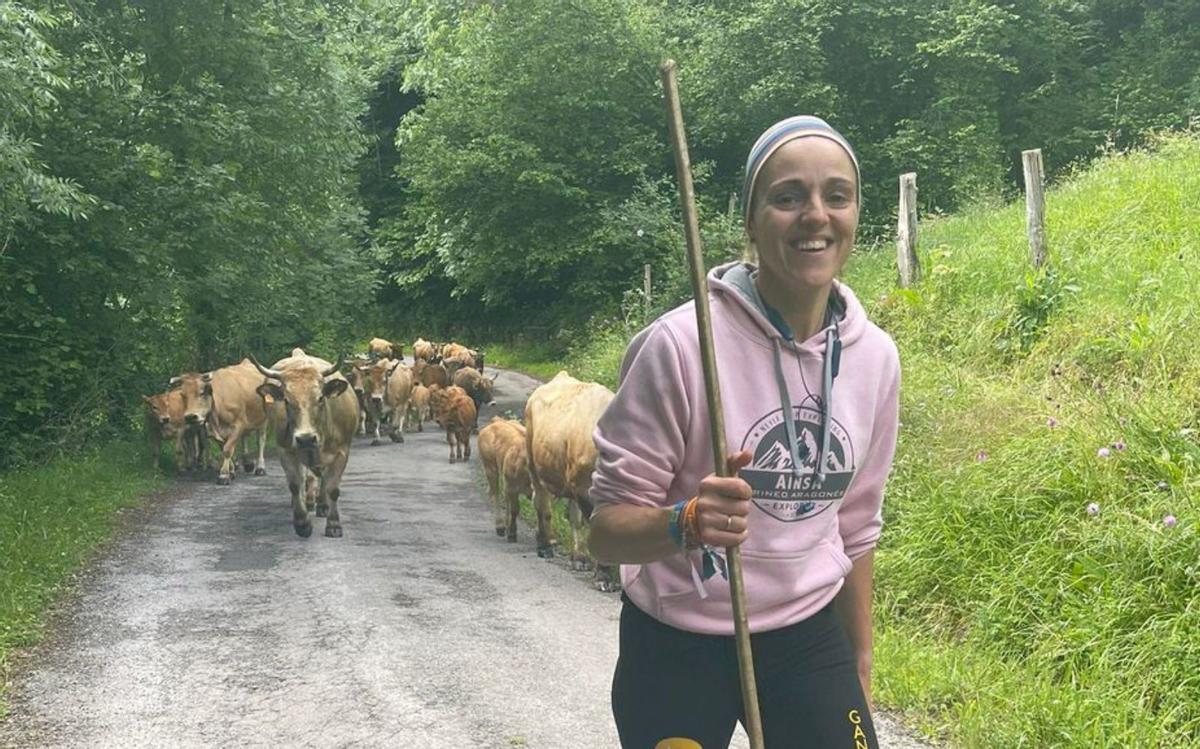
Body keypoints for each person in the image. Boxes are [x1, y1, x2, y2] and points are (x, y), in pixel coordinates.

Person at [588, 115, 900, 749]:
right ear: (751, 222)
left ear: (855, 213)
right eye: (788, 197)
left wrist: (859, 663)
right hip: (676, 644)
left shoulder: (876, 360)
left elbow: (857, 526)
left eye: (836, 195)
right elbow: (603, 533)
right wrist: (687, 522)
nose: (815, 214)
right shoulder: (679, 347)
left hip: (806, 637)